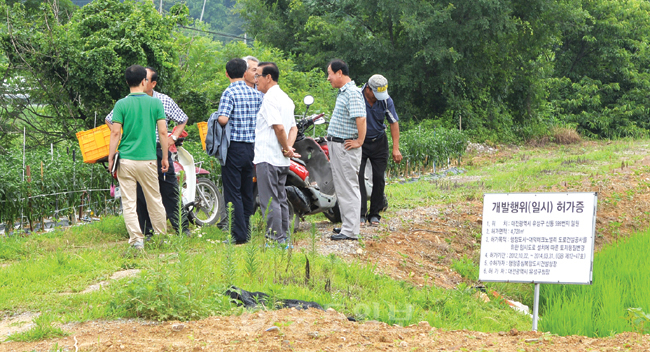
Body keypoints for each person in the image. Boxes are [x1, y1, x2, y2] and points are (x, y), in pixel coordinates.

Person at [106, 67, 191, 237]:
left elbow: (182, 119)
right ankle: (152, 233)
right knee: (147, 198)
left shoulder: (160, 100)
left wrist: (172, 139)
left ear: (152, 83)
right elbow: (110, 121)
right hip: (149, 155)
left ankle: (179, 228)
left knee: (168, 190)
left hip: (150, 151)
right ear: (143, 81)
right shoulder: (150, 103)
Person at [108, 65, 168, 251]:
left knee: (129, 202)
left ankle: (136, 241)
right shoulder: (155, 103)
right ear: (144, 81)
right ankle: (161, 238)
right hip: (149, 159)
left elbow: (116, 133)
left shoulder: (121, 104)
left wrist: (111, 157)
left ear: (127, 82)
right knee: (155, 199)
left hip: (126, 160)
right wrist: (164, 157)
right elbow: (163, 132)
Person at [212, 58, 263, 244]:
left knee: (233, 192)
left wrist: (217, 117)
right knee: (246, 190)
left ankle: (238, 235)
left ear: (227, 74)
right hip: (251, 147)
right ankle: (247, 231)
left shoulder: (229, 92)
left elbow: (224, 119)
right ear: (244, 73)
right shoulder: (256, 94)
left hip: (233, 147)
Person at [253, 62, 298, 244]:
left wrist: (286, 148)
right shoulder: (286, 99)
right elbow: (293, 128)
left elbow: (279, 127)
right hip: (281, 160)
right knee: (280, 199)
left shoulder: (270, 98)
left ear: (268, 77)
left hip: (268, 157)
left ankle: (274, 240)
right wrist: (287, 149)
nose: (256, 81)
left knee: (270, 201)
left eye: (258, 76)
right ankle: (284, 238)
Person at [325, 59, 367, 241]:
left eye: (330, 74)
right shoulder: (344, 93)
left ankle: (350, 231)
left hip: (345, 147)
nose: (328, 78)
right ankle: (347, 225)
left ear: (339, 73)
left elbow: (361, 118)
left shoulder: (352, 93)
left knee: (348, 187)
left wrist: (359, 141)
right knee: (342, 187)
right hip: (337, 145)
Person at [359, 74, 403, 226]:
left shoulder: (385, 100)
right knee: (358, 178)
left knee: (379, 178)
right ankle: (360, 214)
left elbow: (393, 122)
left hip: (379, 142)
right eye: (376, 94)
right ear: (368, 89)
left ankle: (375, 214)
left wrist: (395, 148)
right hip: (360, 142)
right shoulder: (357, 97)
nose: (378, 97)